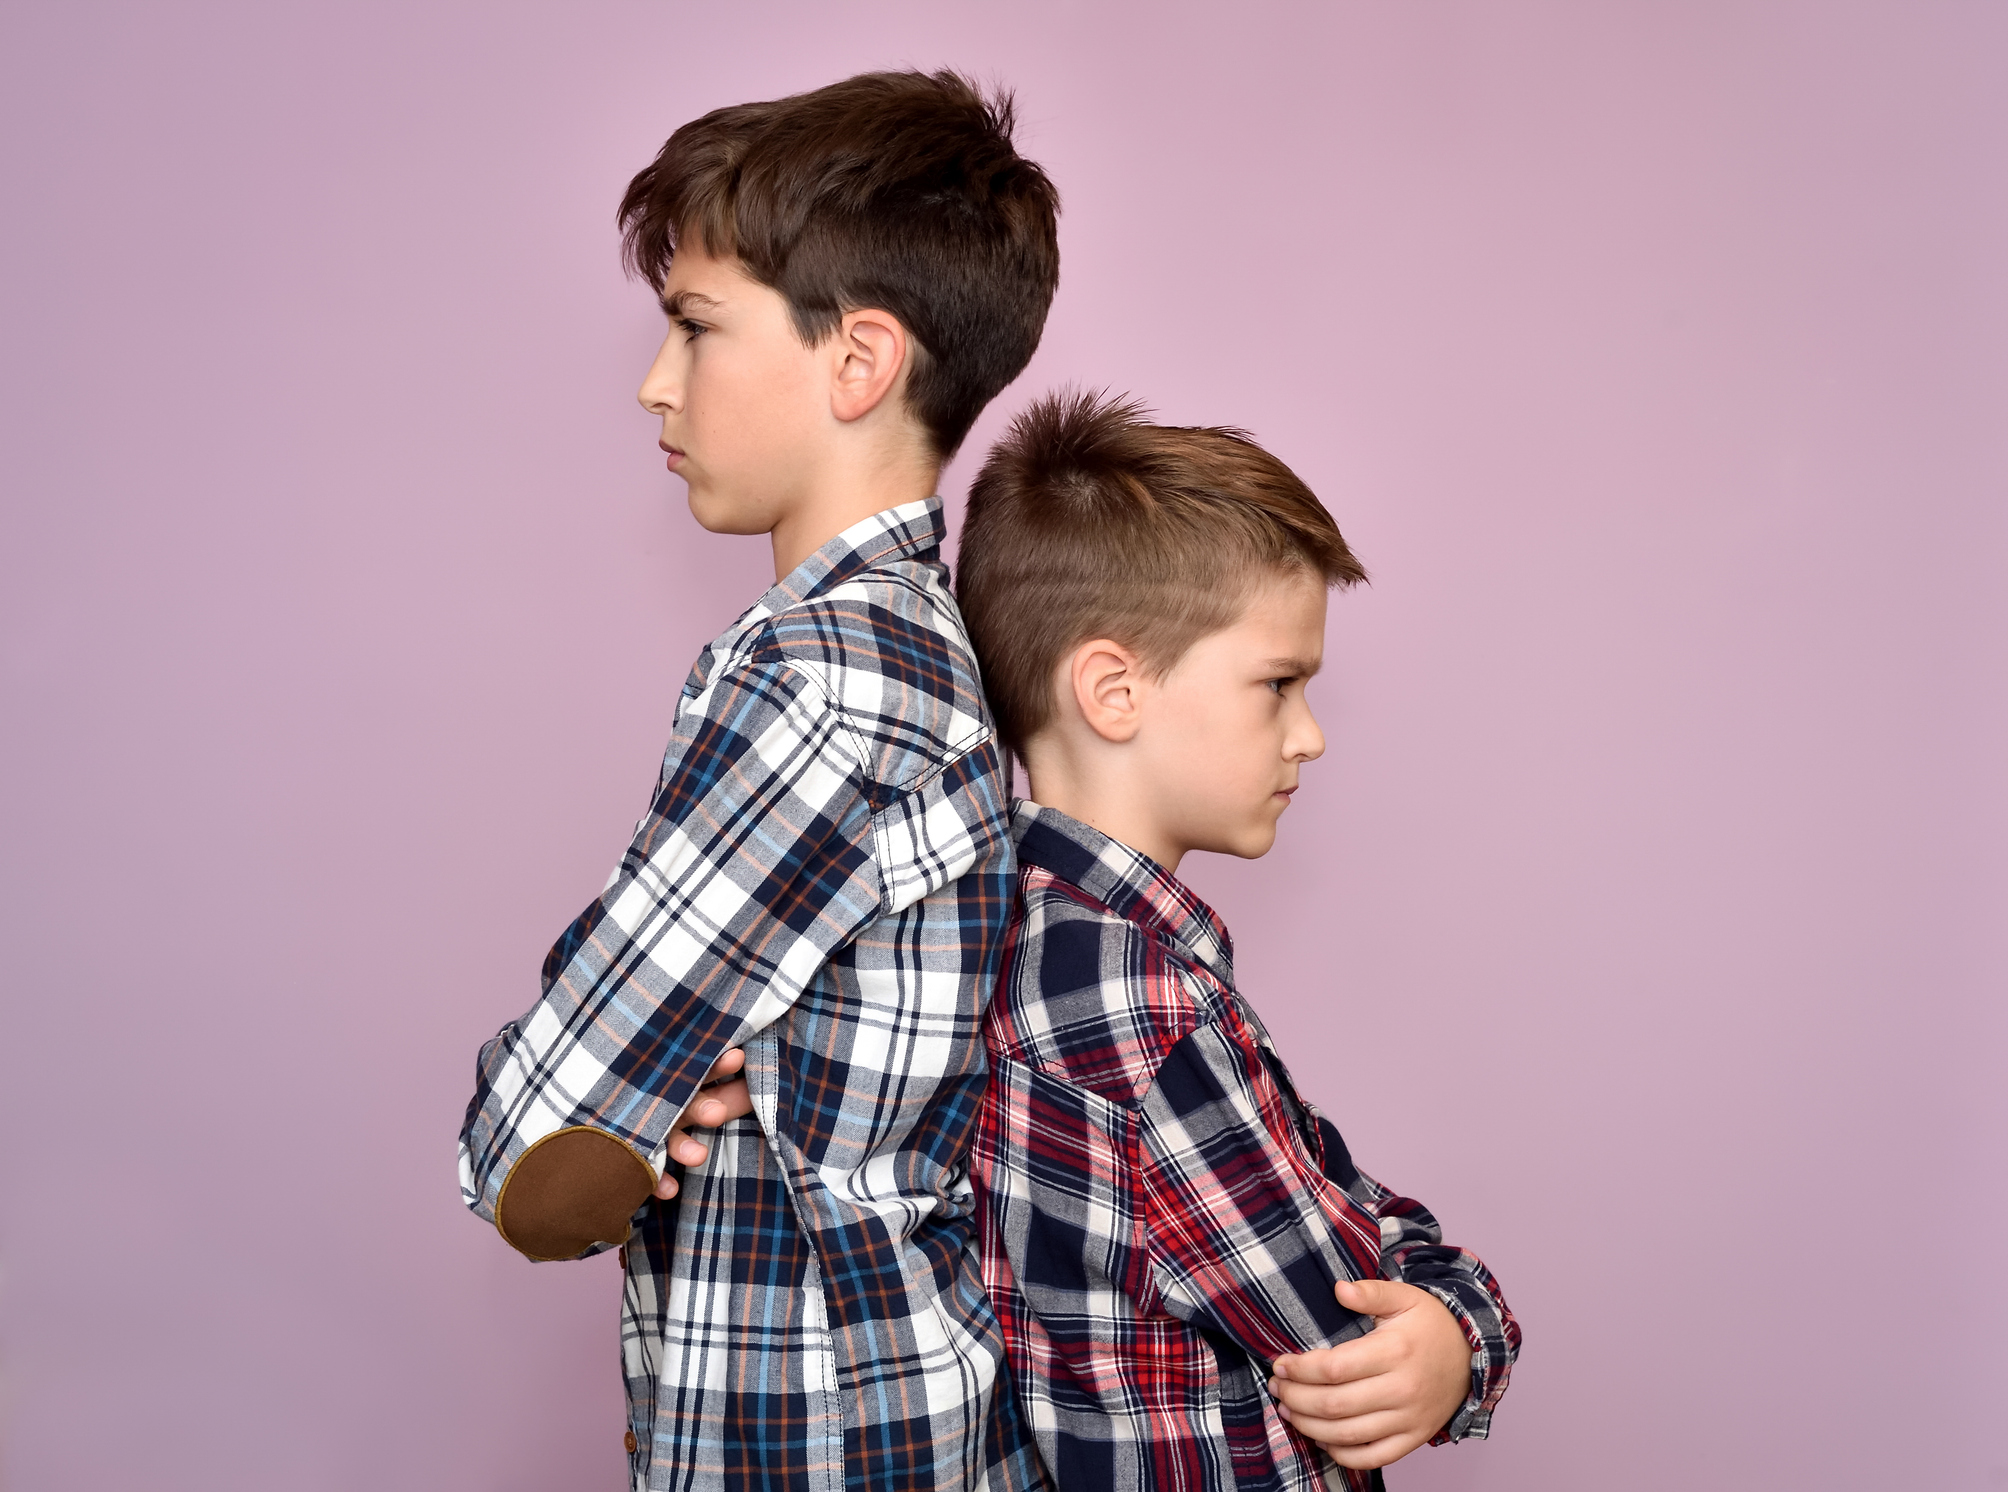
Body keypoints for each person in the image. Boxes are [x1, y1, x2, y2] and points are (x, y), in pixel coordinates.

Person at [457, 71, 1060, 1492]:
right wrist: (636, 1089)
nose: (654, 382)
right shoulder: (908, 647)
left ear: (857, 362)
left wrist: (606, 1096)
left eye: (694, 327)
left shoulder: (827, 686)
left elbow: (542, 1122)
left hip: (818, 1434)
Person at [956, 391, 1520, 1492]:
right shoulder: (1127, 1001)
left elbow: (1311, 1185)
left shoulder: (1000, 935)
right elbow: (1347, 1323)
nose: (1306, 736)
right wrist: (1467, 1324)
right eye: (1277, 685)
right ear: (1112, 689)